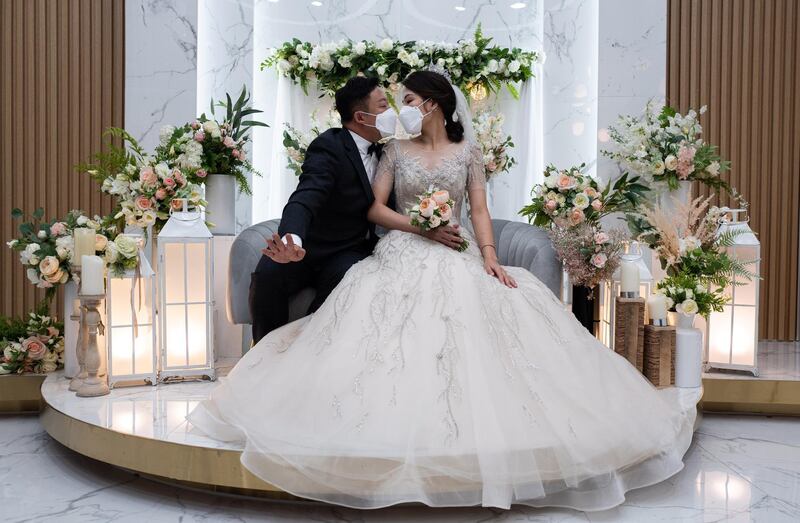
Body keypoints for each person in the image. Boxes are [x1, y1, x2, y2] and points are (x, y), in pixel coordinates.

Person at [188, 70, 699, 511]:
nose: (400, 108)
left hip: (458, 251)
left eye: (407, 100)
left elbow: (477, 209)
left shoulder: (468, 151)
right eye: (392, 102)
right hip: (405, 249)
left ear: (431, 104)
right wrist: (420, 226)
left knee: (494, 306)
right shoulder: (393, 151)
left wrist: (491, 256)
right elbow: (375, 209)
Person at [249, 76, 398, 343]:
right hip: (310, 246)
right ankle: (263, 357)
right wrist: (291, 239)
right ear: (361, 117)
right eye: (383, 106)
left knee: (345, 278)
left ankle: (307, 351)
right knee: (268, 275)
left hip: (350, 249)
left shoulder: (391, 150)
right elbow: (306, 195)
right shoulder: (330, 146)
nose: (391, 114)